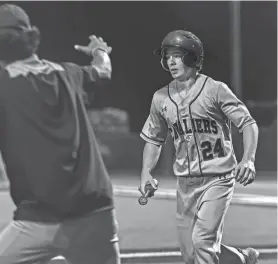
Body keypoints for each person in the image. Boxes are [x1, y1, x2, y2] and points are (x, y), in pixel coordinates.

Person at [0, 4, 120, 264]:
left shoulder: (4, 85)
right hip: (95, 213)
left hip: (38, 221)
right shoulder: (69, 73)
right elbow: (103, 69)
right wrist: (99, 50)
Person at [139, 30, 259, 264]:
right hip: (185, 183)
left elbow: (247, 124)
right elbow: (154, 139)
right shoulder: (161, 98)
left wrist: (249, 159)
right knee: (191, 253)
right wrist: (146, 172)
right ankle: (243, 259)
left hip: (218, 177)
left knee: (202, 241)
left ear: (192, 57)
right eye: (167, 56)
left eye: (177, 55)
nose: (170, 61)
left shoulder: (215, 89)